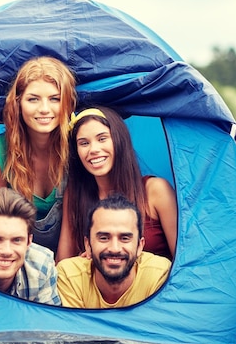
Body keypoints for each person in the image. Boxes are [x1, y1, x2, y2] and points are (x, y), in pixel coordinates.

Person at [0, 56, 77, 255]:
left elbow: (72, 226)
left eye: (55, 99)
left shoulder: (77, 147)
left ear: (67, 103)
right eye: (33, 99)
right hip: (18, 254)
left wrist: (62, 273)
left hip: (73, 252)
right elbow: (4, 222)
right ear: (18, 103)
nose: (44, 109)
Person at [56, 106, 178, 263]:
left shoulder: (156, 190)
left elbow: (186, 261)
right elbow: (63, 264)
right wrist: (84, 263)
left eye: (102, 139)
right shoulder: (74, 195)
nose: (93, 149)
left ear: (119, 140)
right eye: (84, 143)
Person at [56, 194, 171, 308]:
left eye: (125, 238)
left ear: (140, 246)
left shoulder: (160, 275)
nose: (114, 248)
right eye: (104, 238)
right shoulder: (70, 276)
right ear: (88, 245)